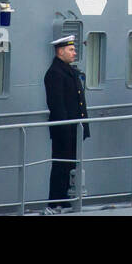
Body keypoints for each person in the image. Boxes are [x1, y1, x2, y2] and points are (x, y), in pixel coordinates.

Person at [43, 35, 89, 212]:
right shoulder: (55, 73)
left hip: (75, 129)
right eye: (71, 49)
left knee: (71, 167)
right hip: (65, 131)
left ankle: (66, 200)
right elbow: (57, 104)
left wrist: (82, 126)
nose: (74, 52)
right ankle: (56, 202)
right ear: (60, 51)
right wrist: (66, 129)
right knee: (61, 167)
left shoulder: (68, 71)